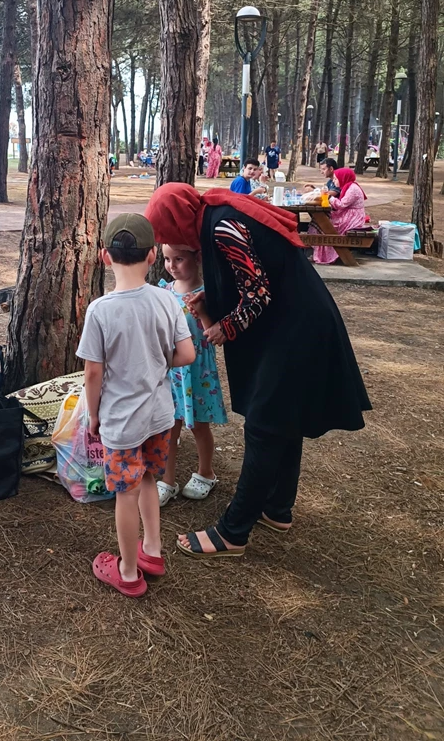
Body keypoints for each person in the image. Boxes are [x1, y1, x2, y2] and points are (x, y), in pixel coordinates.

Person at [144, 182, 371, 560]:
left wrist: (225, 327)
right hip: (296, 319)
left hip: (296, 327)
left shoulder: (220, 226)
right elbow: (249, 277)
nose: (172, 243)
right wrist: (212, 300)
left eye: (167, 233)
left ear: (178, 221)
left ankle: (233, 532)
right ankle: (277, 509)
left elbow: (257, 292)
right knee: (284, 417)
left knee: (265, 423)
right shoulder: (216, 213)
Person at [77, 213, 195, 597]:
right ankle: (153, 550)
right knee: (147, 478)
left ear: (104, 257)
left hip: (122, 422)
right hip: (160, 417)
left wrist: (93, 416)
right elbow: (187, 354)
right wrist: (156, 362)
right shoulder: (166, 299)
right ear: (150, 257)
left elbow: (93, 374)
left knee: (124, 492)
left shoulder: (100, 310)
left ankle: (128, 572)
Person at [156, 245, 227, 506]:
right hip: (171, 371)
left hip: (197, 371)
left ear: (197, 258)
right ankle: (168, 479)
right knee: (168, 426)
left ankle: (206, 472)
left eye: (179, 259)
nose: (172, 265)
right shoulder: (163, 291)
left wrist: (203, 312)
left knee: (198, 425)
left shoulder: (207, 294)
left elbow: (214, 335)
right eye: (166, 259)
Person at [312, 168, 368, 265]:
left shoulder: (353, 189)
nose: (333, 181)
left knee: (326, 225)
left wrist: (329, 197)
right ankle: (317, 251)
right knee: (319, 221)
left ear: (343, 178)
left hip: (352, 218)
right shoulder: (348, 186)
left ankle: (326, 255)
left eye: (335, 179)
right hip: (347, 215)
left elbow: (341, 205)